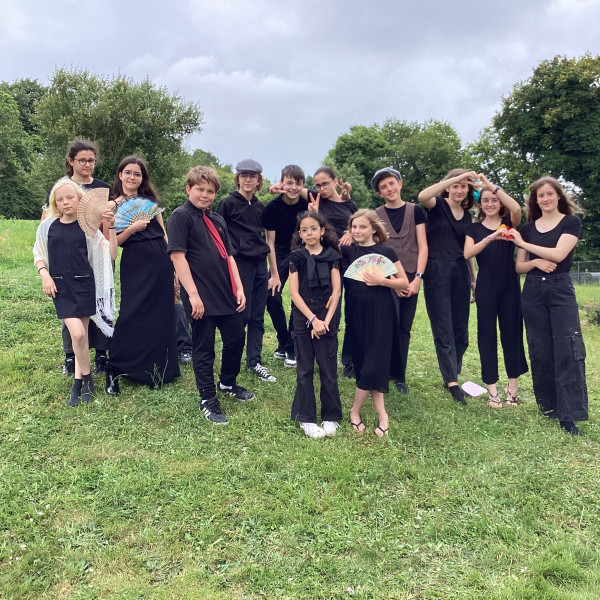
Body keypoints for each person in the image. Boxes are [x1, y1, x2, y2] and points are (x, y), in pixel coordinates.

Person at [168, 166, 251, 425]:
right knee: (204, 349)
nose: (205, 195)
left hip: (225, 292)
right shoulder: (180, 217)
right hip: (201, 295)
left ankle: (227, 382)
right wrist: (193, 296)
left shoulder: (217, 219)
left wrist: (238, 287)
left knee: (236, 338)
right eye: (200, 189)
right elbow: (178, 257)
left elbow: (229, 256)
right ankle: (207, 398)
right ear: (188, 189)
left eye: (210, 191)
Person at [511, 177, 588, 435]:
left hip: (560, 288)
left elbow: (558, 254)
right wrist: (534, 263)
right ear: (535, 201)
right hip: (533, 289)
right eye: (539, 196)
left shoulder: (570, 222)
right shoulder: (529, 228)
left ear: (558, 196)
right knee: (541, 348)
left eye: (548, 194)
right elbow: (519, 267)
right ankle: (550, 406)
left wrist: (523, 245)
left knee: (567, 347)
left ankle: (569, 414)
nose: (544, 199)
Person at [34, 178, 117, 406]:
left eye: (70, 197)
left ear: (79, 199)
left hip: (84, 285)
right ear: (55, 204)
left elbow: (110, 255)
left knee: (81, 334)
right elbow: (38, 254)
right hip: (60, 287)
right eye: (60, 199)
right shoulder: (47, 226)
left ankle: (79, 381)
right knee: (78, 335)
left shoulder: (87, 227)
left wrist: (110, 226)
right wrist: (45, 275)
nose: (65, 202)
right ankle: (86, 377)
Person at [105, 156, 179, 394]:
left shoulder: (150, 202)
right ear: (120, 175)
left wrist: (174, 265)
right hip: (135, 262)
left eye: (137, 174)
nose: (132, 177)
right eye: (128, 172)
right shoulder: (112, 206)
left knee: (161, 312)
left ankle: (157, 368)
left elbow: (165, 234)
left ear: (142, 178)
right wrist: (131, 229)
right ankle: (116, 364)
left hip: (160, 260)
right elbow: (112, 243)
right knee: (131, 312)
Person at [41, 138, 113, 376]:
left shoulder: (102, 188)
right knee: (71, 311)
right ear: (71, 162)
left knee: (99, 306)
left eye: (91, 160)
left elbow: (105, 228)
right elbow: (47, 222)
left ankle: (101, 354)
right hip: (65, 259)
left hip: (95, 253)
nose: (87, 164)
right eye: (82, 160)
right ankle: (71, 357)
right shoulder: (62, 188)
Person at [341, 209, 408, 437]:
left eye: (362, 227)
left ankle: (356, 411)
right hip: (355, 313)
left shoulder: (386, 251)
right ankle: (382, 415)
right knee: (363, 363)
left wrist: (382, 281)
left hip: (381, 312)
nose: (358, 231)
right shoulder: (347, 252)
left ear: (373, 229)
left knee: (375, 362)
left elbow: (403, 283)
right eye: (354, 227)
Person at [464, 175, 528, 408]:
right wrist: (491, 237)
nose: (490, 204)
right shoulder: (473, 228)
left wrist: (491, 186)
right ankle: (492, 389)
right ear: (480, 204)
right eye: (486, 200)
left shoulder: (510, 223)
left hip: (510, 282)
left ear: (500, 202)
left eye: (494, 200)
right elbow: (467, 254)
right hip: (486, 282)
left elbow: (516, 207)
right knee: (487, 335)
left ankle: (512, 387)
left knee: (512, 333)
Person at [216, 159, 280, 382]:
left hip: (259, 264)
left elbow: (268, 240)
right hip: (239, 264)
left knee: (257, 316)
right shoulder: (227, 204)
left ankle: (254, 361)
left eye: (252, 176)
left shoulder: (261, 207)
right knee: (240, 315)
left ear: (258, 180)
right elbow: (218, 237)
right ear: (238, 178)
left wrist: (274, 272)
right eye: (244, 175)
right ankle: (231, 360)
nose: (248, 179)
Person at [418, 169, 478, 405]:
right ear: (448, 187)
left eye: (464, 186)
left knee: (461, 330)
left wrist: (474, 279)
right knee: (443, 326)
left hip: (460, 271)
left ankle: (455, 368)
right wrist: (455, 178)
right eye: (456, 186)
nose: (460, 190)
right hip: (436, 270)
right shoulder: (436, 205)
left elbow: (468, 251)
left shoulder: (467, 216)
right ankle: (451, 381)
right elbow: (423, 195)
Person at [371, 167, 428, 394]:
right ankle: (384, 372)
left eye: (391, 183)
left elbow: (423, 246)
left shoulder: (416, 211)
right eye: (383, 187)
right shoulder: (376, 215)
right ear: (379, 193)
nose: (389, 189)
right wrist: (394, 281)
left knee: (404, 328)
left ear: (400, 184)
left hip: (413, 278)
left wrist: (417, 280)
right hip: (386, 281)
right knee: (386, 327)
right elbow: (375, 250)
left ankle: (400, 375)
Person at [288, 211, 342, 438]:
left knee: (328, 368)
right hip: (304, 315)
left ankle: (331, 416)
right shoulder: (296, 257)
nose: (309, 233)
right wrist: (313, 320)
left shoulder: (332, 256)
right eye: (304, 229)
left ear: (322, 230)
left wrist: (326, 321)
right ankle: (306, 418)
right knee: (305, 368)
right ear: (299, 234)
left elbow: (337, 290)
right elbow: (293, 293)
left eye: (313, 228)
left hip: (328, 315)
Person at [308, 166, 358, 377]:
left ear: (335, 181)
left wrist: (350, 232)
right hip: (328, 263)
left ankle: (350, 360)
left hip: (350, 261)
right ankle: (322, 356)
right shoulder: (318, 204)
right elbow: (316, 233)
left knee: (354, 309)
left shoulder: (350, 203)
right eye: (318, 185)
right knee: (327, 307)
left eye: (325, 184)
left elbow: (359, 227)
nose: (322, 188)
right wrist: (316, 214)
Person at [264, 165, 309, 368]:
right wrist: (274, 274)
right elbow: (270, 243)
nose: (293, 187)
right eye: (289, 182)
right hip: (280, 253)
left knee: (298, 298)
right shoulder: (272, 208)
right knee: (271, 295)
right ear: (281, 182)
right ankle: (283, 339)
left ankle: (292, 347)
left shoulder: (309, 203)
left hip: (303, 253)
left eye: (297, 183)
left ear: (302, 185)